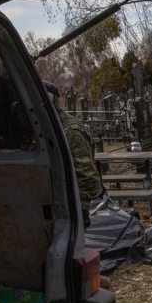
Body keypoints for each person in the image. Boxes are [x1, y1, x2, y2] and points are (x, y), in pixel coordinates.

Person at [43, 81, 103, 228]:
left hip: (68, 207)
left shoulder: (70, 130)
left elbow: (87, 178)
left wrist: (81, 209)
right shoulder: (47, 125)